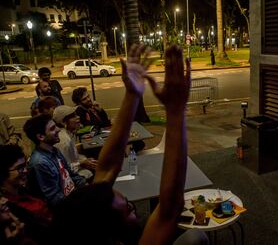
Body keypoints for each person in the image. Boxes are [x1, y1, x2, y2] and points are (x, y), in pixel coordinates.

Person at [51, 44, 208, 245]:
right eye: (128, 209)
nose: (131, 205)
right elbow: (169, 211)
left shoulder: (87, 222)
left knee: (196, 237)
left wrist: (132, 95)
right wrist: (176, 111)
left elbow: (107, 168)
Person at [23, 113, 86, 207]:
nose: (58, 129)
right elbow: (55, 199)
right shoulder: (40, 163)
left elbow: (71, 175)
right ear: (41, 137)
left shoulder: (54, 150)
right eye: (52, 128)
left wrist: (86, 186)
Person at [0, 144, 52, 244]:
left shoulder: (24, 189)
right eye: (19, 168)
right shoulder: (7, 208)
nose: (25, 170)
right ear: (3, 173)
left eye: (25, 165)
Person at [53, 105, 96, 180]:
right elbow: (65, 169)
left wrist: (85, 160)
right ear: (63, 122)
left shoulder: (68, 133)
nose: (78, 117)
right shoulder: (64, 140)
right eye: (73, 116)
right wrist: (83, 163)